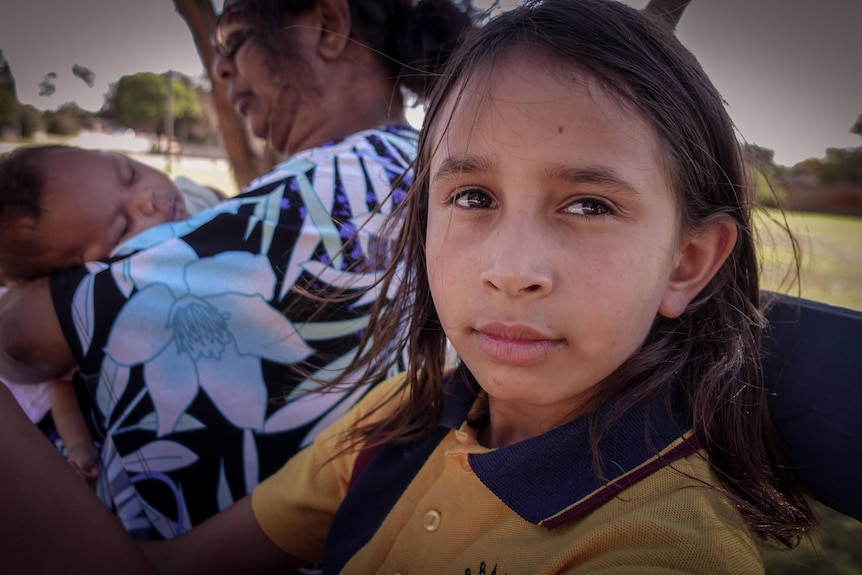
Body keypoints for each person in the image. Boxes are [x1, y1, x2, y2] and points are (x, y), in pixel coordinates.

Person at [0, 0, 815, 572]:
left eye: (590, 203)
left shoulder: (656, 551)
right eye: (471, 197)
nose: (510, 267)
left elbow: (32, 333)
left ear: (688, 262)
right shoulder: (401, 419)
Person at [0, 0, 477, 542]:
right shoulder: (416, 164)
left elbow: (25, 334)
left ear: (327, 25)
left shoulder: (331, 195)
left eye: (235, 41)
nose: (220, 66)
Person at [0, 144, 225, 488]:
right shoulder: (108, 305)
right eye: (122, 227)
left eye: (129, 174)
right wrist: (78, 445)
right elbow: (62, 389)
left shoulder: (186, 195)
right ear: (81, 277)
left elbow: (216, 195)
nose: (147, 200)